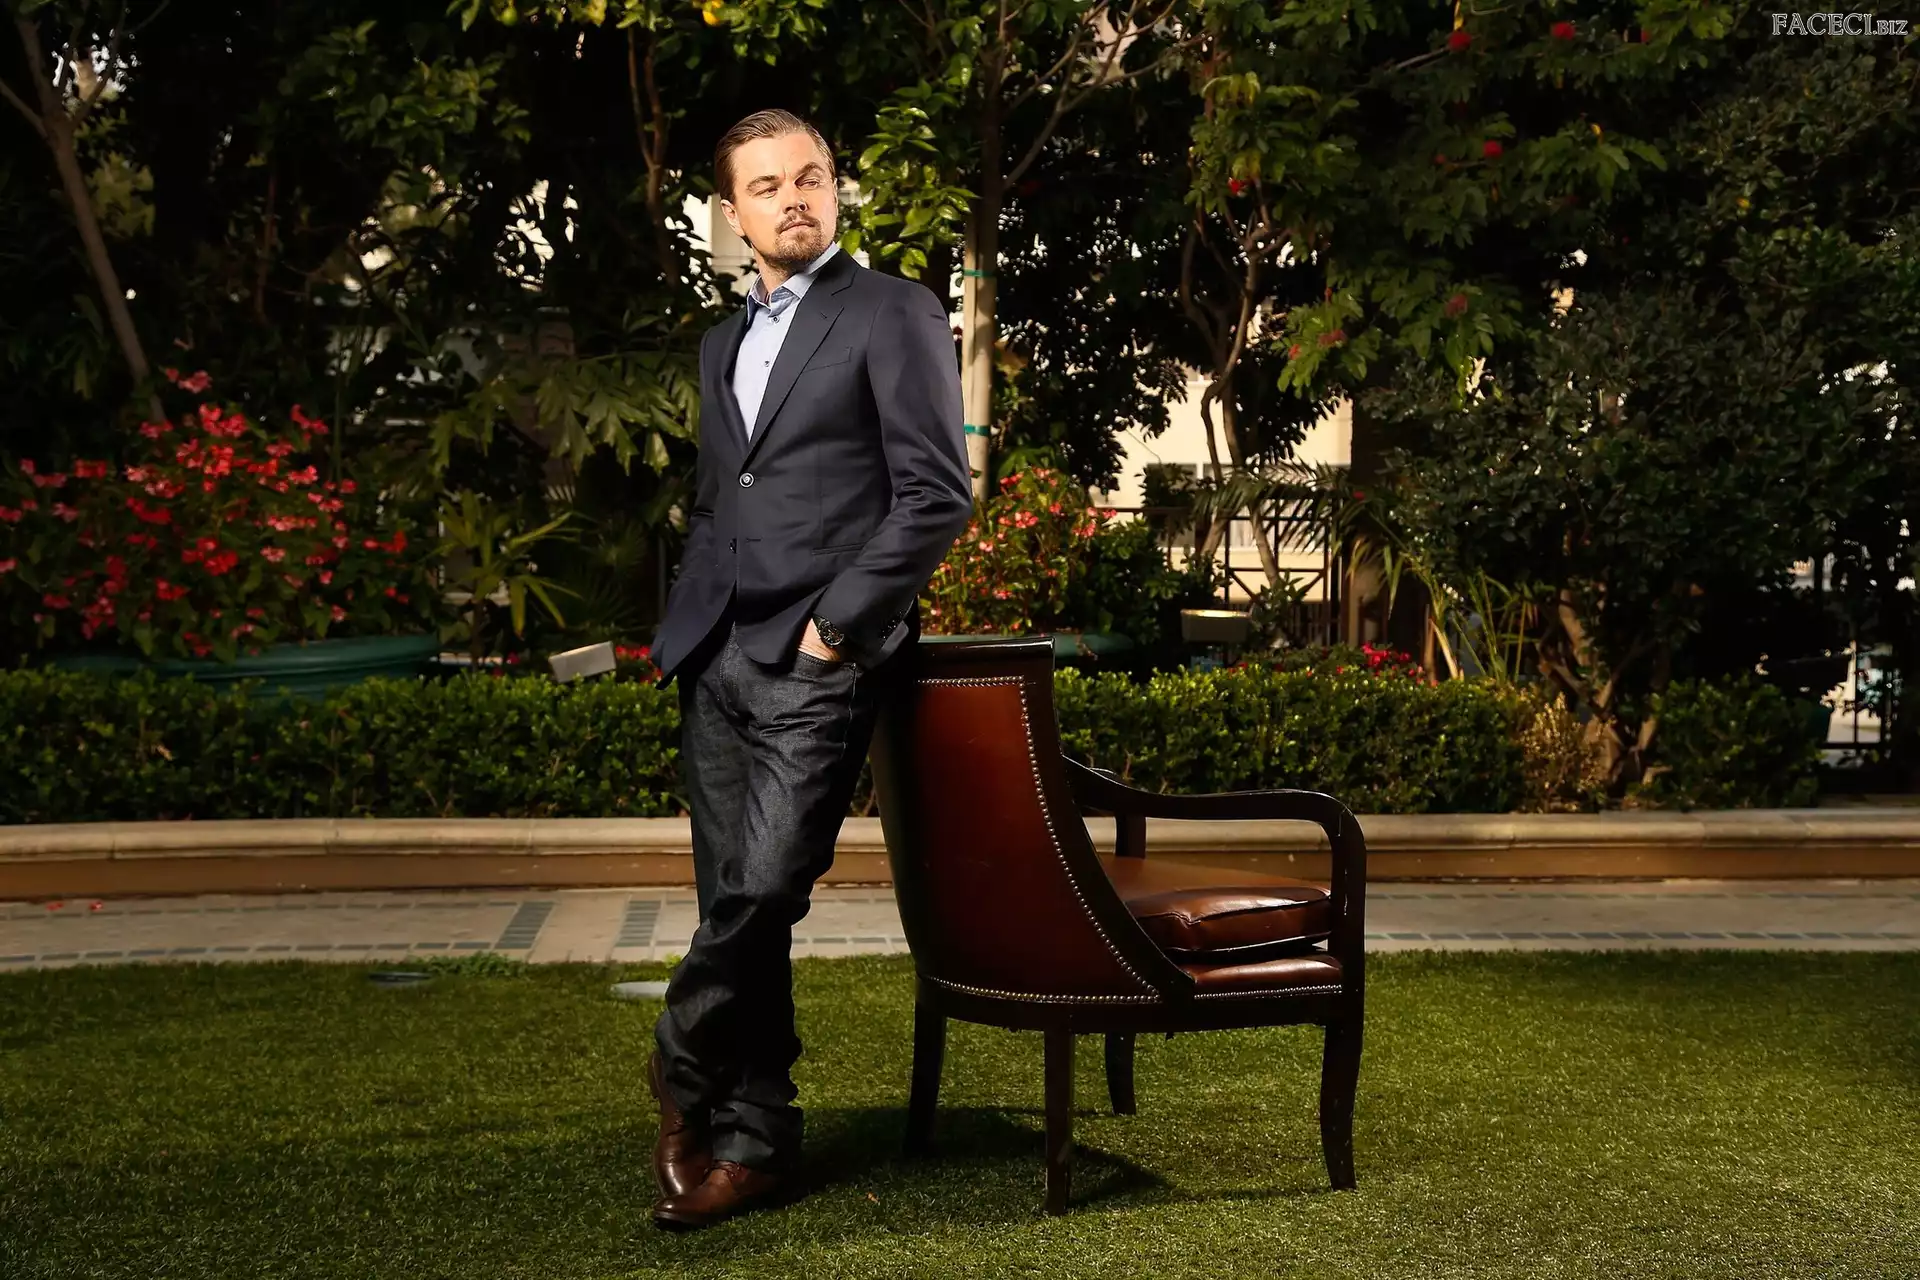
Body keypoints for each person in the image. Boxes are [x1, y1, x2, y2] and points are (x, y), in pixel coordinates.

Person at [643, 108, 972, 1230]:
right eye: (768, 185)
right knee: (734, 903)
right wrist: (687, 625)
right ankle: (754, 1139)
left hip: (815, 660)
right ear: (733, 214)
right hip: (717, 656)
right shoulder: (720, 342)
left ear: (834, 190)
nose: (794, 197)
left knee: (766, 886)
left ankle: (678, 1058)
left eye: (812, 177)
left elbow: (936, 493)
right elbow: (716, 499)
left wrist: (834, 628)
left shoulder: (892, 310)